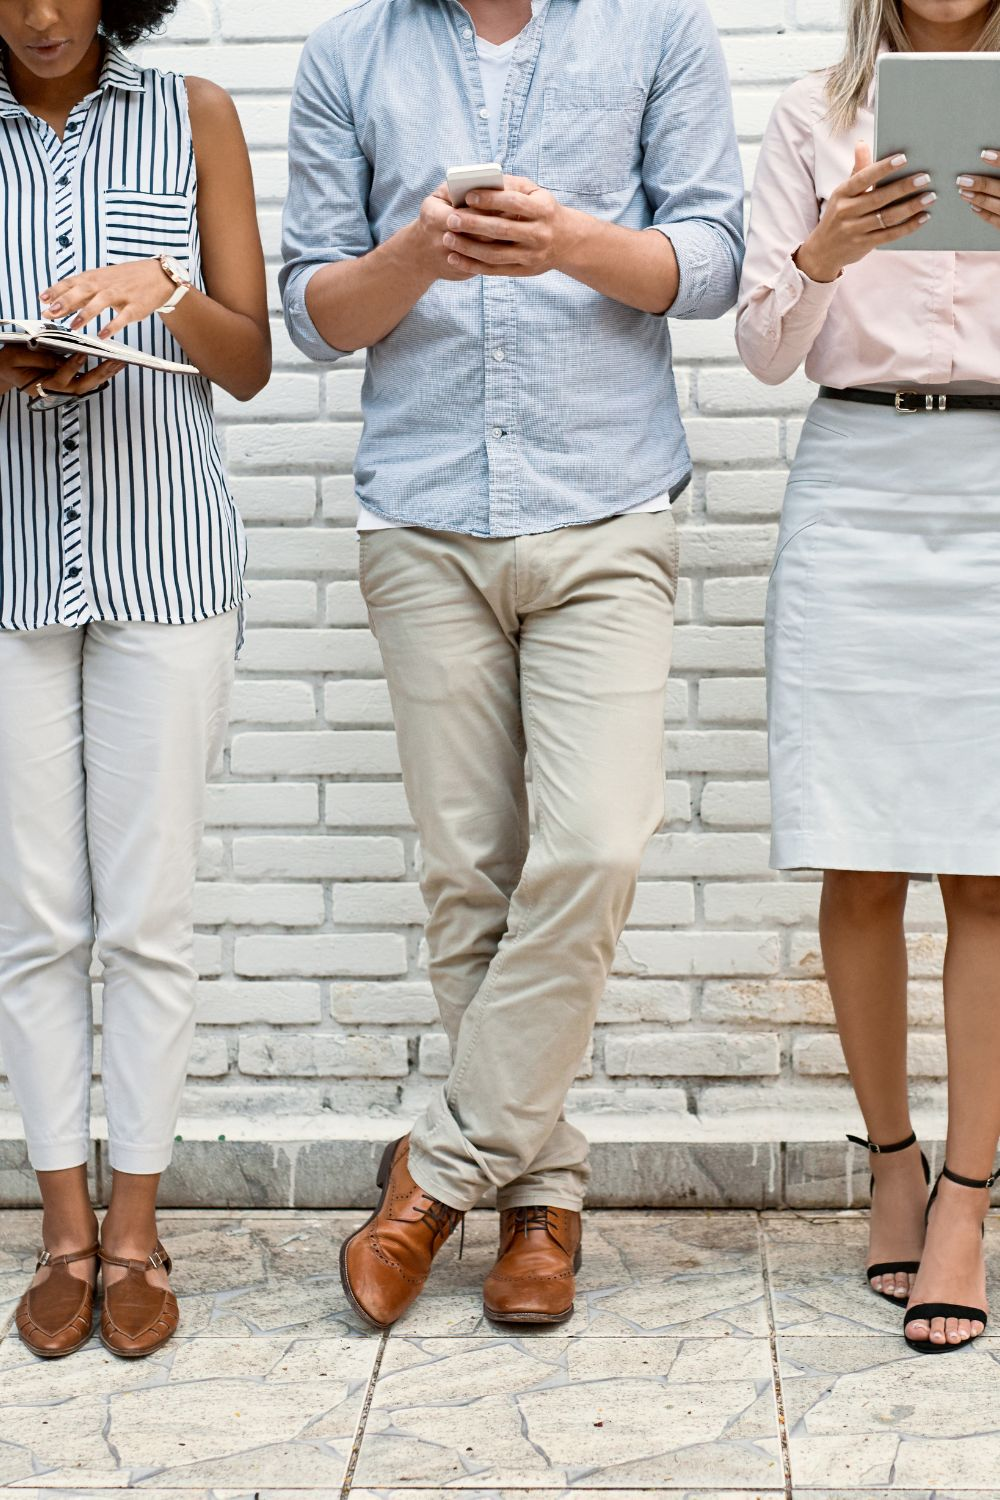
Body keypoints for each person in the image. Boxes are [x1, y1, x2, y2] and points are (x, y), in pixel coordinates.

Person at [282, 0, 743, 1330]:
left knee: (593, 847)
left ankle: (433, 1180)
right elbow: (316, 315)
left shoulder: (661, 31)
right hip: (423, 522)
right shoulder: (344, 58)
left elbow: (711, 260)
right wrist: (415, 257)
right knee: (467, 876)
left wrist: (575, 243)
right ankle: (540, 1199)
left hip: (609, 509)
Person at [0, 0, 270, 1359]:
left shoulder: (196, 113)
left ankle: (136, 1235)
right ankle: (59, 1232)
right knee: (39, 921)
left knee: (145, 918)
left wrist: (162, 292)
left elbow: (254, 360)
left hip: (169, 570)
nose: (45, 15)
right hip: (7, 581)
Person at [737, 0, 1000, 1353]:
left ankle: (966, 1193)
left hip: (999, 486)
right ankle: (891, 1161)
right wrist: (821, 250)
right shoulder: (809, 113)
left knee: (988, 863)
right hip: (855, 479)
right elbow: (765, 348)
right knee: (859, 856)